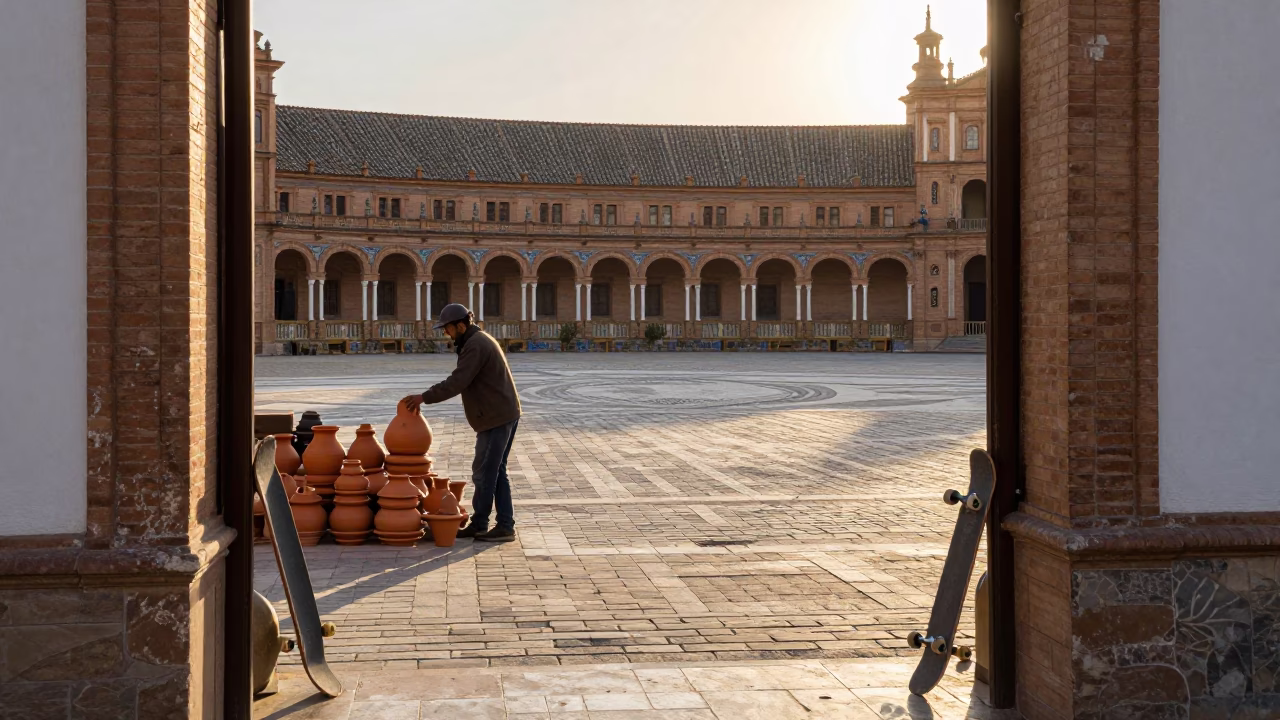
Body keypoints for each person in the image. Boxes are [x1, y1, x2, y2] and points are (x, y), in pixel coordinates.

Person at [402, 303, 521, 542]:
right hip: (500, 413)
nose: (447, 333)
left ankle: (485, 524)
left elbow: (458, 381)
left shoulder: (475, 345)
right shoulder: (477, 340)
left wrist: (424, 397)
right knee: (495, 471)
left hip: (495, 417)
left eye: (448, 328)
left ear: (461, 325)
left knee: (485, 472)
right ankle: (501, 524)